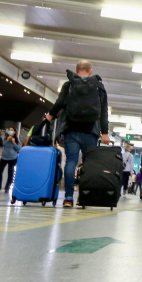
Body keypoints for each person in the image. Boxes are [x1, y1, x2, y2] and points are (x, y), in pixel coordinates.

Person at [46, 60, 109, 207]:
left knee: (71, 162)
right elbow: (103, 111)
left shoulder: (69, 84)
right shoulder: (98, 86)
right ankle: (83, 197)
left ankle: (68, 198)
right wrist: (104, 132)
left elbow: (60, 102)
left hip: (71, 130)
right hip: (91, 131)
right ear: (90, 71)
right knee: (88, 165)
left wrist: (50, 115)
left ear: (76, 70)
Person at [0, 127, 21, 192]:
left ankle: (7, 187)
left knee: (10, 173)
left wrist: (14, 142)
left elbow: (18, 149)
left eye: (12, 130)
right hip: (4, 158)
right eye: (9, 130)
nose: (10, 131)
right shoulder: (5, 138)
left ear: (15, 132)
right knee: (0, 172)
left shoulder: (17, 140)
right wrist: (7, 140)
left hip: (12, 158)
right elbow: (3, 144)